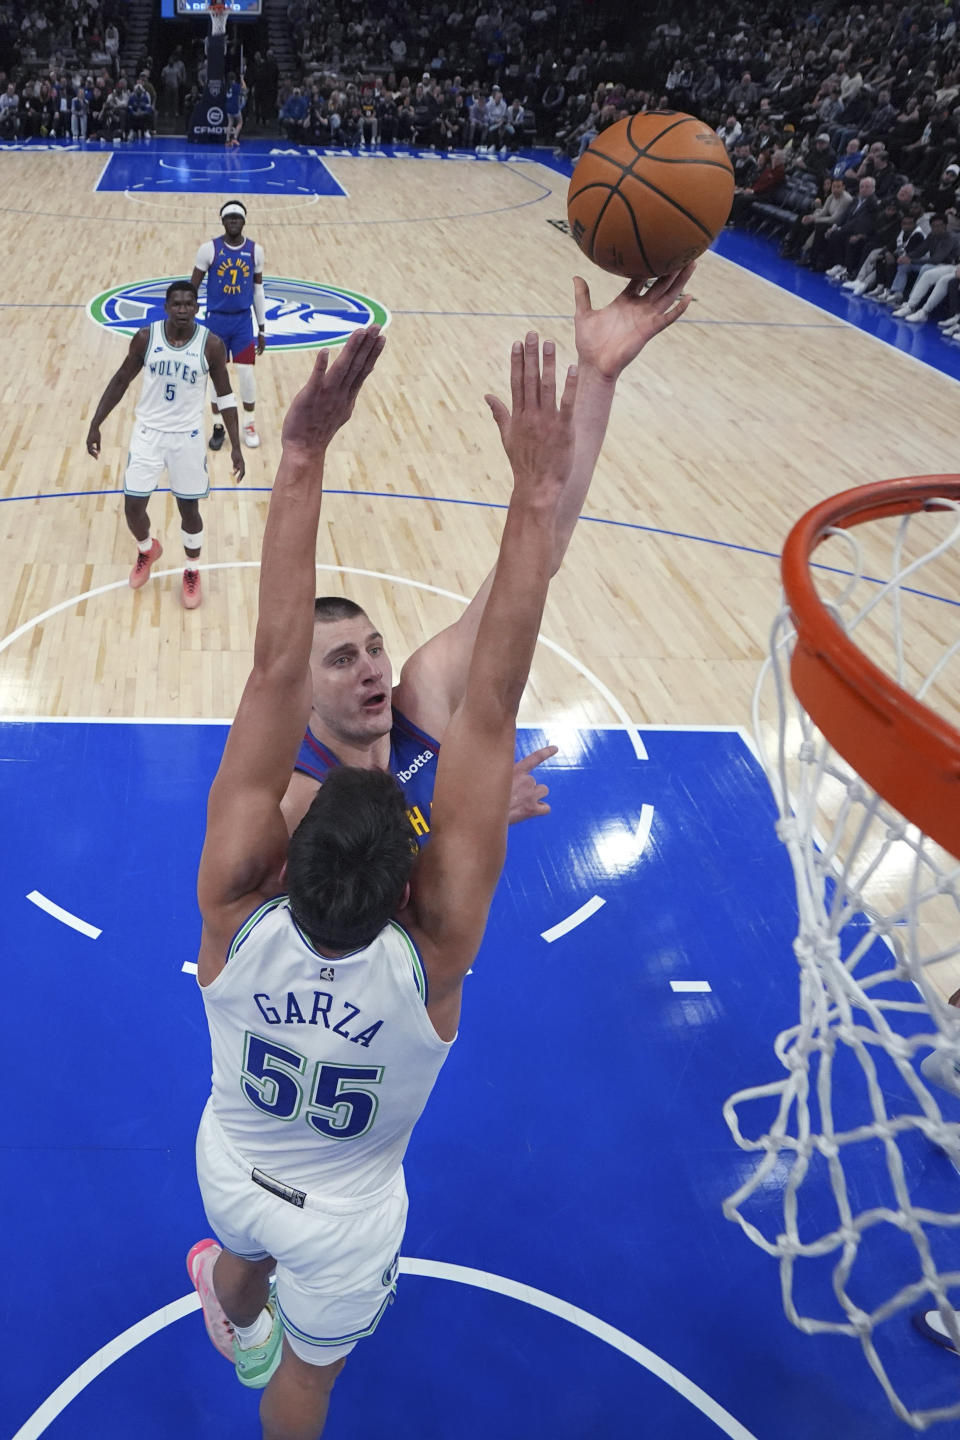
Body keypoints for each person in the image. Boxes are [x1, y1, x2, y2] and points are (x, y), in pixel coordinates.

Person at [182, 324, 587, 1434]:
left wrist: (301, 456)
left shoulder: (232, 908)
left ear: (282, 858)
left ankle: (227, 1290)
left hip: (231, 1168)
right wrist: (533, 490)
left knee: (248, 1256)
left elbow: (272, 664)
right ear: (409, 878)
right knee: (305, 1383)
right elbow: (495, 702)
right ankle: (240, 1295)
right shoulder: (435, 954)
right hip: (346, 1218)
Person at [280, 270, 697, 840]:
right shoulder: (297, 797)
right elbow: (348, 925)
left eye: (374, 647)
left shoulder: (421, 695)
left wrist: (598, 376)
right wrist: (468, 822)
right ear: (299, 690)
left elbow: (535, 561)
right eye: (342, 659)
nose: (372, 668)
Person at [85, 281, 244, 609]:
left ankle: (191, 569)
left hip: (186, 438)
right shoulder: (147, 337)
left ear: (197, 308)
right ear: (167, 307)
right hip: (148, 433)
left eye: (189, 304)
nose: (183, 309)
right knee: (133, 507)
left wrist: (236, 445)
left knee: (189, 509)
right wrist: (95, 423)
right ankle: (147, 549)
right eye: (177, 304)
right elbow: (120, 380)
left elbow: (225, 395)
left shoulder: (210, 345)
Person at [191, 199, 266, 451]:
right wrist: (187, 320)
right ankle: (217, 426)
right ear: (222, 221)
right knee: (216, 376)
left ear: (244, 221)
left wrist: (262, 328)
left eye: (237, 217)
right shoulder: (208, 249)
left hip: (243, 322)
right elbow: (192, 287)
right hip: (216, 322)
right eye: (229, 217)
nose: (233, 221)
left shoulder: (255, 251)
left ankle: (249, 422)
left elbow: (258, 290)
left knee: (246, 374)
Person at [225, 71, 247, 147]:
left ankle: (227, 140)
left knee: (230, 123)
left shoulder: (227, 86)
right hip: (234, 106)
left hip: (228, 106)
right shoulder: (235, 86)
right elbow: (244, 88)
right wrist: (242, 79)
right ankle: (234, 138)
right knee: (240, 122)